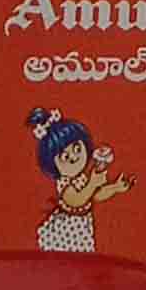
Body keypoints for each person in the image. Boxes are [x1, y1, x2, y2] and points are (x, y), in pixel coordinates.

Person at [28, 108, 131, 254]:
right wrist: (92, 184)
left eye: (77, 149)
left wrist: (115, 187)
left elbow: (95, 196)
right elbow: (75, 200)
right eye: (65, 157)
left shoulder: (82, 178)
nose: (74, 157)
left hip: (82, 227)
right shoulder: (65, 182)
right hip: (66, 230)